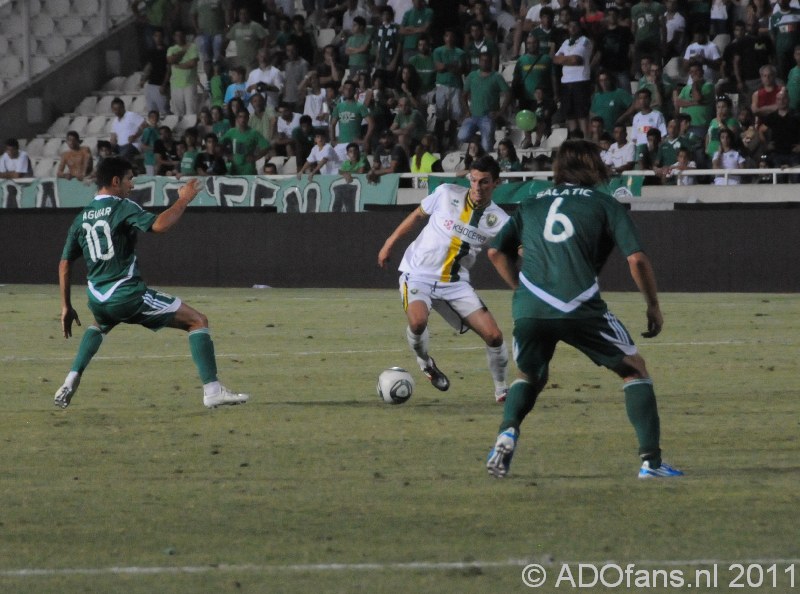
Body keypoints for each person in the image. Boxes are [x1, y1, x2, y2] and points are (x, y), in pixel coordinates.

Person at [484, 139, 683, 480]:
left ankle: (507, 432)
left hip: (530, 307)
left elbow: (495, 252)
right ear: (592, 167)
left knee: (530, 375)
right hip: (579, 305)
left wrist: (521, 291)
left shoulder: (530, 204)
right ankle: (651, 463)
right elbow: (636, 259)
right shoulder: (605, 204)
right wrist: (653, 305)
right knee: (634, 369)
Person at [53, 157, 248, 409]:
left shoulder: (82, 217)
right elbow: (159, 225)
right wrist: (184, 199)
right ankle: (212, 391)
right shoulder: (121, 206)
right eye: (129, 179)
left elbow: (65, 263)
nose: (132, 185)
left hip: (98, 298)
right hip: (127, 295)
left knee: (100, 324)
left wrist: (66, 307)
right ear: (115, 181)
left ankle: (70, 380)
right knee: (198, 321)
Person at [377, 154, 510, 402]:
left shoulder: (499, 220)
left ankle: (502, 390)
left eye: (484, 182)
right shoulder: (447, 193)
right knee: (417, 323)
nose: (477, 187)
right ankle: (425, 362)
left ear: (496, 183)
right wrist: (389, 243)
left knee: (494, 336)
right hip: (418, 274)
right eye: (474, 180)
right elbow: (417, 215)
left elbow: (514, 249)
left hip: (455, 283)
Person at [457, 50, 511, 154]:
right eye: (482, 60)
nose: (484, 63)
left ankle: (486, 148)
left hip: (488, 117)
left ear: (491, 62)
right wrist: (467, 111)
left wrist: (500, 112)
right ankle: (478, 139)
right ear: (479, 61)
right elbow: (463, 95)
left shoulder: (497, 77)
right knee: (461, 136)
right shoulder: (472, 76)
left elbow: (508, 94)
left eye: (487, 61)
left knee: (486, 148)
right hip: (473, 116)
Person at [221, 109, 271, 174]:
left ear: (248, 118)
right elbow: (219, 145)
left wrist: (256, 157)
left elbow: (266, 147)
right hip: (235, 169)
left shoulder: (254, 133)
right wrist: (228, 155)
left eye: (245, 117)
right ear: (237, 118)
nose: (243, 119)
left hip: (249, 170)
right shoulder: (231, 132)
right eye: (240, 117)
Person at [166, 29, 199, 118]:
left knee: (191, 112)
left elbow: (192, 64)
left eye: (181, 35)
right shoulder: (171, 49)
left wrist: (178, 65)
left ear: (185, 36)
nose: (179, 37)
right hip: (175, 85)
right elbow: (170, 60)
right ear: (174, 37)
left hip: (190, 84)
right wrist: (184, 50)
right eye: (177, 35)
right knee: (178, 113)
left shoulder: (193, 47)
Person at [139, 28, 170, 116]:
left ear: (163, 37)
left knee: (164, 111)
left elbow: (169, 69)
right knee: (151, 112)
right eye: (156, 36)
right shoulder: (151, 51)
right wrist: (143, 79)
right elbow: (149, 66)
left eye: (160, 36)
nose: (158, 38)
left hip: (161, 86)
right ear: (153, 37)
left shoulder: (167, 51)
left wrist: (164, 84)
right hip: (151, 84)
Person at [109, 97, 147, 163]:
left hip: (132, 145)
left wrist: (135, 136)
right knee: (104, 154)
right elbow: (113, 139)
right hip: (119, 147)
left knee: (123, 156)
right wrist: (108, 148)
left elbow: (145, 125)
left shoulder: (131, 115)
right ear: (112, 110)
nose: (117, 111)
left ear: (123, 107)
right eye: (115, 109)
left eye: (119, 109)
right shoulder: (114, 121)